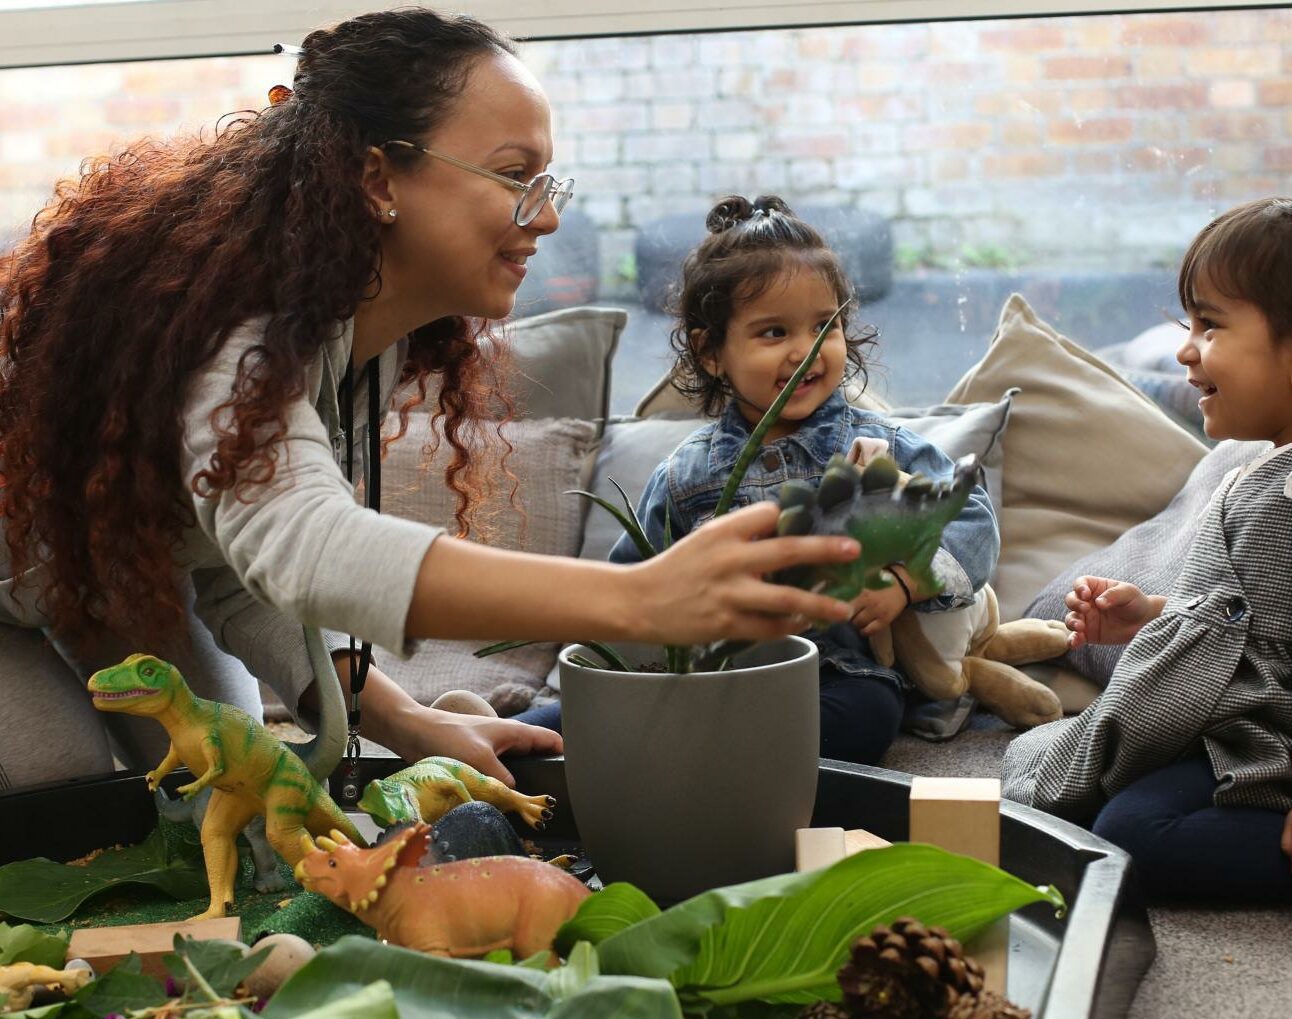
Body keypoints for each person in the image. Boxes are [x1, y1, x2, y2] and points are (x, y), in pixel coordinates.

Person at [0, 11, 861, 794]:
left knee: (235, 801)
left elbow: (235, 570)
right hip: (24, 585)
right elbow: (304, 547)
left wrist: (411, 723)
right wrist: (640, 599)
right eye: (514, 174)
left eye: (548, 182)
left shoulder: (349, 343)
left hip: (109, 581)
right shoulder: (240, 327)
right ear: (378, 177)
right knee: (54, 793)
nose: (548, 218)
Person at [517, 195, 999, 765]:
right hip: (702, 673)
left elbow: (969, 517)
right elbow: (630, 586)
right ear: (712, 351)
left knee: (868, 713)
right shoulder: (686, 475)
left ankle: (695, 752)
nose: (805, 351)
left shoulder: (881, 448)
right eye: (773, 332)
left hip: (831, 671)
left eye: (825, 326)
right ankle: (498, 734)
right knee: (562, 722)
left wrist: (901, 582)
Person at [1002, 197, 1292, 903]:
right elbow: (1257, 614)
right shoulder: (1258, 469)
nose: (1185, 350)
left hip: (1275, 748)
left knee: (1138, 838)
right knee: (1099, 808)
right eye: (1187, 325)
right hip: (1234, 729)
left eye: (1211, 325)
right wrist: (1157, 615)